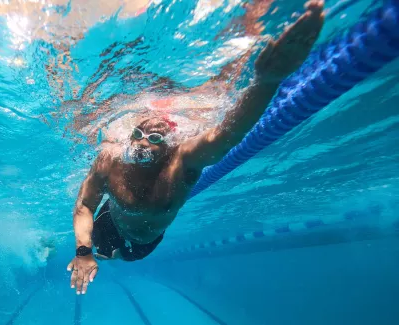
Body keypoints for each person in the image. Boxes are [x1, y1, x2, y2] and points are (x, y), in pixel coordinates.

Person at [67, 1, 325, 295]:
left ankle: (253, 19)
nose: (141, 143)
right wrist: (83, 251)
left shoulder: (182, 162)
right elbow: (85, 205)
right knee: (101, 253)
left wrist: (266, 82)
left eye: (154, 139)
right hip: (109, 221)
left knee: (126, 258)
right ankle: (105, 256)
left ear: (170, 143)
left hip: (146, 242)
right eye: (137, 133)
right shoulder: (110, 160)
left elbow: (224, 136)